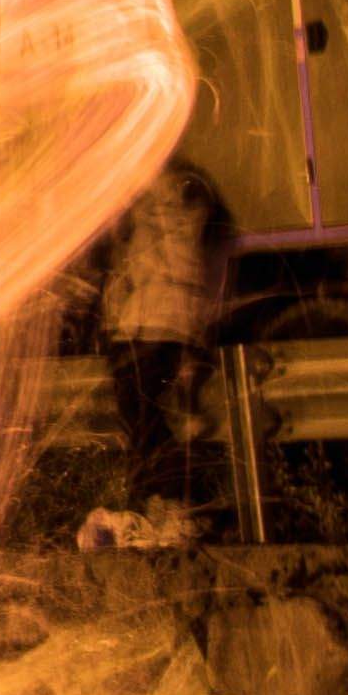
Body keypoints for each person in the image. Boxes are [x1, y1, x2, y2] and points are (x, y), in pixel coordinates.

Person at [100, 153, 238, 526]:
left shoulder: (181, 196)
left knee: (147, 421)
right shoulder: (149, 205)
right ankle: (168, 500)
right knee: (140, 420)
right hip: (139, 328)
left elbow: (173, 260)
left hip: (162, 327)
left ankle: (176, 500)